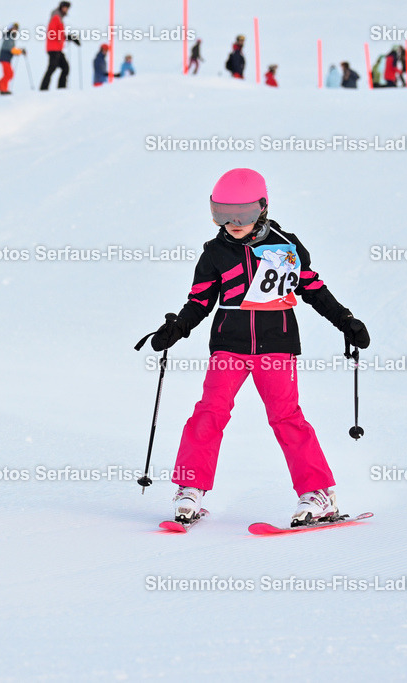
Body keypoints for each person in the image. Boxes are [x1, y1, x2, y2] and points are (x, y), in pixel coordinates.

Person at [148, 168, 370, 527]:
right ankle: (190, 487)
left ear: (262, 208)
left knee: (286, 417)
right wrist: (177, 328)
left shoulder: (285, 245)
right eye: (223, 214)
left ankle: (318, 494)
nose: (233, 223)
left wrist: (345, 320)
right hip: (229, 347)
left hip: (276, 346)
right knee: (208, 413)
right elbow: (199, 301)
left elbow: (312, 288)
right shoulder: (215, 253)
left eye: (243, 214)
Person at [39, 1, 79, 91]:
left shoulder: (59, 18)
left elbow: (59, 33)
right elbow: (52, 32)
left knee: (65, 67)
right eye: (65, 8)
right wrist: (65, 37)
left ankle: (61, 89)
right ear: (61, 7)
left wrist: (69, 37)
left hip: (57, 48)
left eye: (67, 8)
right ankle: (43, 89)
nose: (66, 10)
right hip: (53, 48)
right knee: (52, 67)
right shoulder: (56, 17)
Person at [0, 23, 25, 95]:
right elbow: (11, 49)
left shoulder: (10, 37)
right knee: (9, 74)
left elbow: (12, 49)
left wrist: (20, 51)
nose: (15, 30)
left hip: (6, 58)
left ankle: (0, 86)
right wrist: (20, 51)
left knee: (8, 74)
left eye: (16, 29)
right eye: (14, 28)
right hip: (5, 58)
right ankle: (2, 88)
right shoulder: (9, 36)